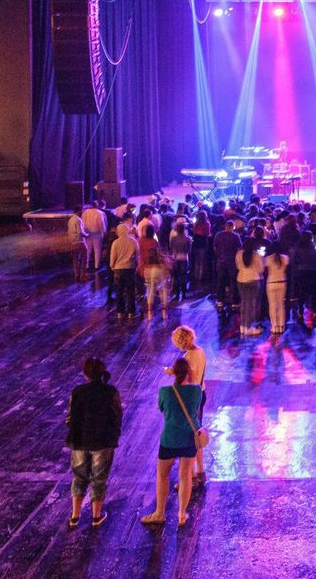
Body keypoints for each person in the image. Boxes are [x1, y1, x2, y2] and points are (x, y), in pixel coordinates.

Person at [141, 358, 203, 528]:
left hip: (169, 438)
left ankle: (160, 512)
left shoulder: (165, 392)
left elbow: (162, 409)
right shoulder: (196, 391)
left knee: (162, 476)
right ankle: (182, 514)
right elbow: (196, 408)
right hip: (188, 438)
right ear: (189, 372)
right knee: (185, 476)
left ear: (174, 373)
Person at [66, 357, 122, 528]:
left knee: (79, 477)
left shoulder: (77, 391)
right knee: (99, 478)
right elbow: (117, 415)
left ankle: (75, 516)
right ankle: (96, 516)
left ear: (85, 374)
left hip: (80, 440)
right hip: (103, 441)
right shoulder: (110, 391)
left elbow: (70, 416)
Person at [166, 326, 208, 484]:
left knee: (188, 437)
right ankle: (200, 470)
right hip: (200, 393)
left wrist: (173, 372)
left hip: (189, 398)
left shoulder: (187, 358)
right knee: (197, 433)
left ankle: (189, 477)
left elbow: (186, 378)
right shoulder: (201, 352)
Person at [139, 224, 170, 320]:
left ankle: (149, 313)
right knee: (163, 290)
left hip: (145, 268)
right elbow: (159, 254)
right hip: (156, 267)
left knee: (150, 290)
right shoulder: (154, 242)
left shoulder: (140, 241)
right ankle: (164, 312)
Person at [236, 237, 265, 336]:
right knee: (251, 305)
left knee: (244, 303)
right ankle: (249, 328)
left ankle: (243, 327)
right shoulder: (255, 255)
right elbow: (261, 270)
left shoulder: (239, 254)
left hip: (240, 279)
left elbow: (238, 266)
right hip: (253, 280)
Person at [109, 224, 138, 319]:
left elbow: (112, 258)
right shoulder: (133, 242)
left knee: (119, 291)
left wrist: (112, 267)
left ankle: (120, 312)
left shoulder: (115, 243)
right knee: (130, 291)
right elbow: (138, 256)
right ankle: (131, 312)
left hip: (118, 270)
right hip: (130, 268)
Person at [213, 220, 242, 313]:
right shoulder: (235, 236)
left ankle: (220, 300)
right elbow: (240, 248)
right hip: (232, 262)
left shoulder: (218, 235)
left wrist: (219, 256)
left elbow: (215, 247)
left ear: (225, 226)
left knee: (220, 281)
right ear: (233, 227)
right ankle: (235, 302)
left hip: (221, 261)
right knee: (233, 282)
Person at [264, 241, 290, 335]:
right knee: (281, 305)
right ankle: (282, 326)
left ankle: (274, 326)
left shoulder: (268, 259)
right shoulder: (285, 258)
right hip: (282, 282)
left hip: (271, 283)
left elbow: (263, 269)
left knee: (272, 305)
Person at [169, 222, 192, 302]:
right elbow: (189, 250)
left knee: (176, 277)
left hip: (176, 258)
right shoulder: (188, 238)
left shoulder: (173, 239)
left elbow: (171, 248)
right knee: (183, 276)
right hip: (185, 258)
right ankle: (184, 294)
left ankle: (177, 294)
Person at [82, 203, 108, 273]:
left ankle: (86, 265)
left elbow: (83, 223)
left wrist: (84, 232)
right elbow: (101, 223)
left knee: (88, 250)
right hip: (97, 233)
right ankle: (97, 266)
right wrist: (104, 232)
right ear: (97, 206)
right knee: (97, 250)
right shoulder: (100, 213)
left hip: (88, 233)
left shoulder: (85, 213)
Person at [67, 206, 89, 282]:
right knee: (84, 259)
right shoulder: (78, 220)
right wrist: (87, 235)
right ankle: (82, 275)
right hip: (80, 242)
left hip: (73, 242)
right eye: (82, 211)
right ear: (79, 211)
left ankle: (76, 275)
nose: (82, 212)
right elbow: (80, 232)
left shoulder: (70, 220)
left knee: (75, 260)